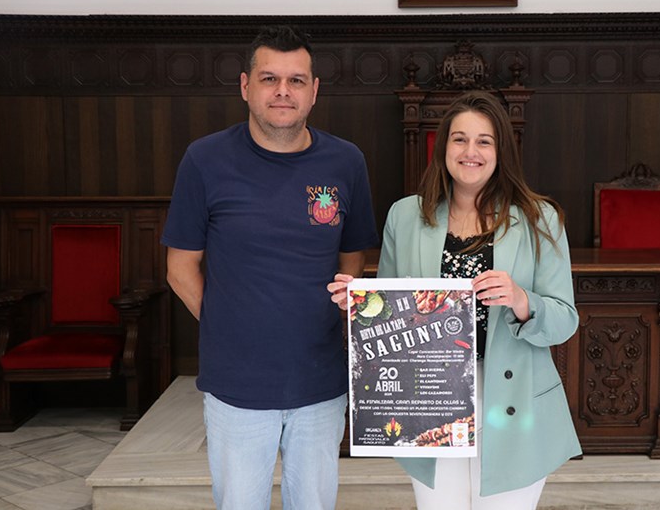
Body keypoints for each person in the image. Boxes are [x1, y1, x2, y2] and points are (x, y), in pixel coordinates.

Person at [329, 91, 581, 509]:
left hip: (515, 400)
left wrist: (522, 299)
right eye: (459, 139)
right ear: (443, 146)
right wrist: (358, 304)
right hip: (430, 396)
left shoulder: (540, 219)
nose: (470, 152)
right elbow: (391, 308)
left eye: (484, 141)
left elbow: (565, 320)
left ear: (501, 150)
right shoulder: (405, 216)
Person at [162, 25, 378, 510]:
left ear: (314, 90)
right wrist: (228, 325)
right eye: (269, 79)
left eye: (296, 80)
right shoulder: (204, 159)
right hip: (236, 382)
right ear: (245, 86)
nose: (283, 91)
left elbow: (352, 258)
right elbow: (180, 267)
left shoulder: (346, 162)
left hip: (320, 379)